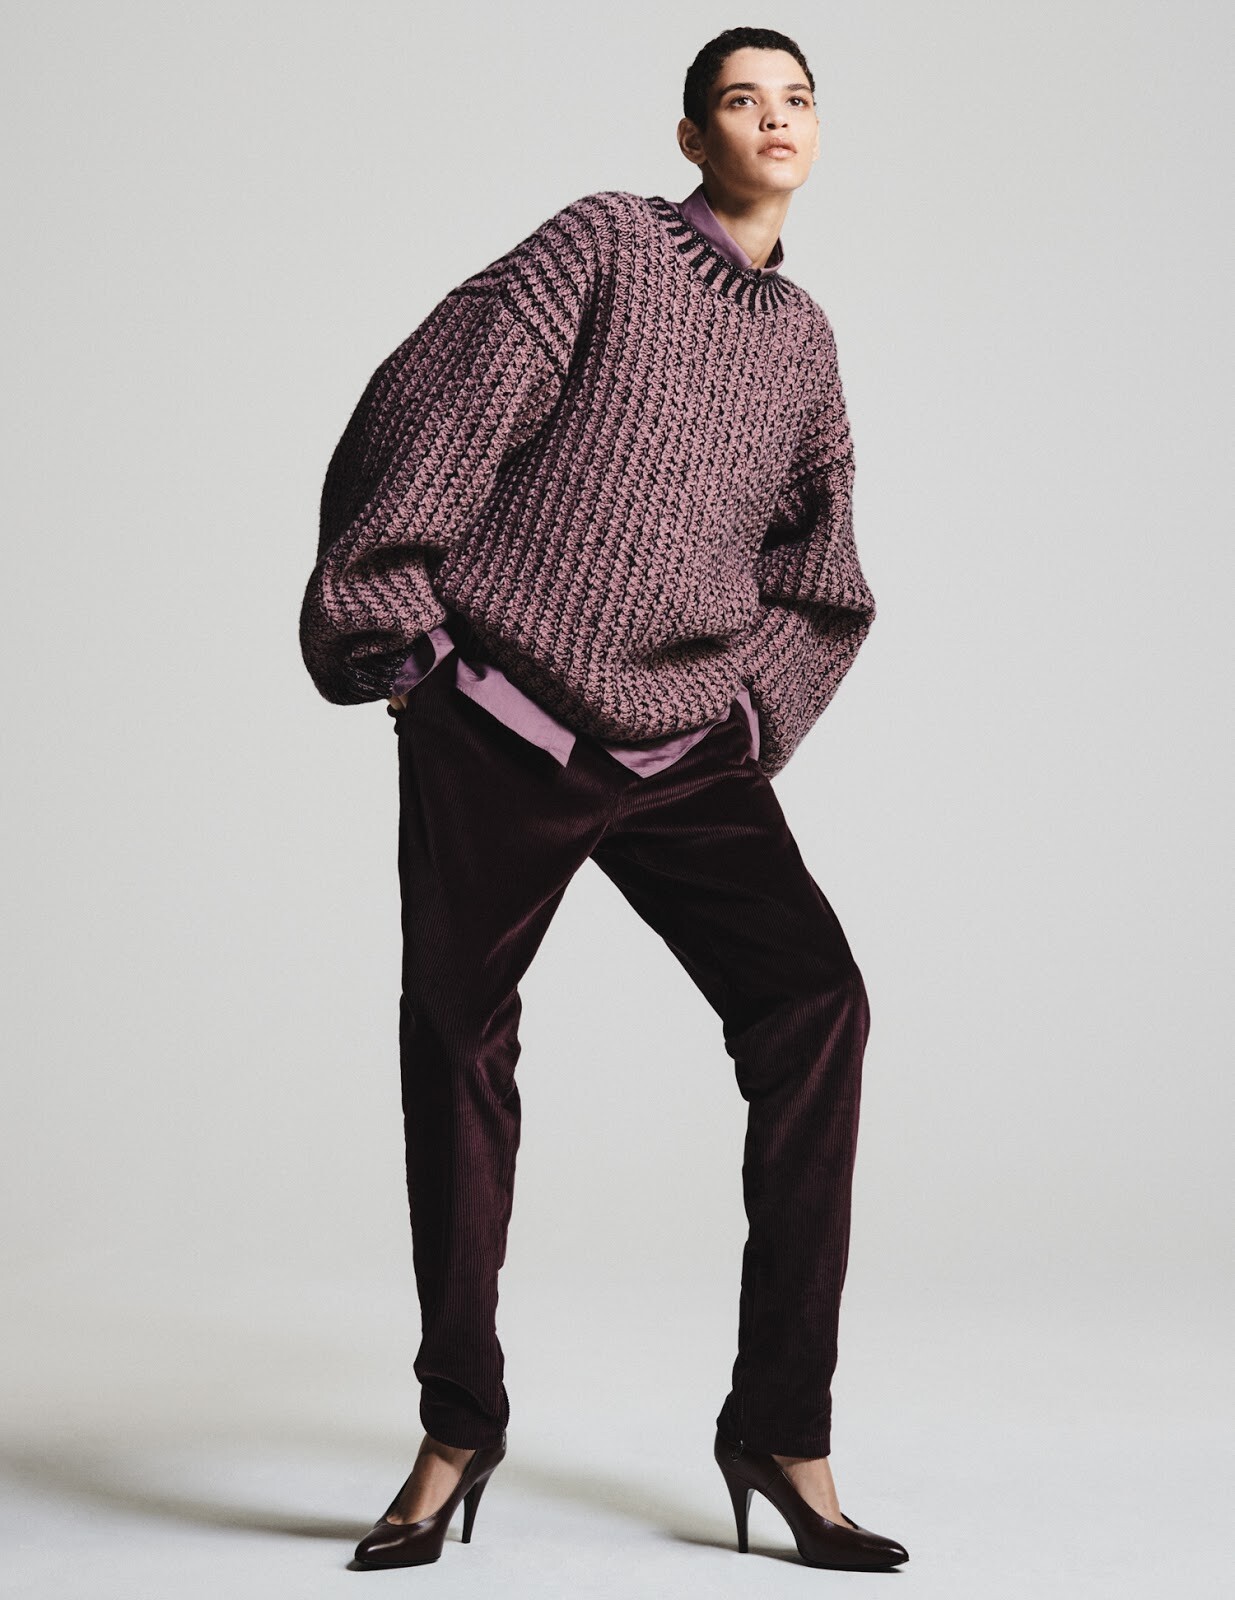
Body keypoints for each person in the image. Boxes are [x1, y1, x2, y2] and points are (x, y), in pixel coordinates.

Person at [299, 24, 908, 1575]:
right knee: (456, 1042)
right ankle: (456, 1431)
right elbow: (435, 396)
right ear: (693, 134)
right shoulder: (603, 245)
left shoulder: (805, 341)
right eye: (742, 101)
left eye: (798, 99)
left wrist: (751, 710)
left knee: (816, 1005)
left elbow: (821, 572)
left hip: (682, 748)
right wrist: (405, 647)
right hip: (501, 720)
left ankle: (782, 1432)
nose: (775, 120)